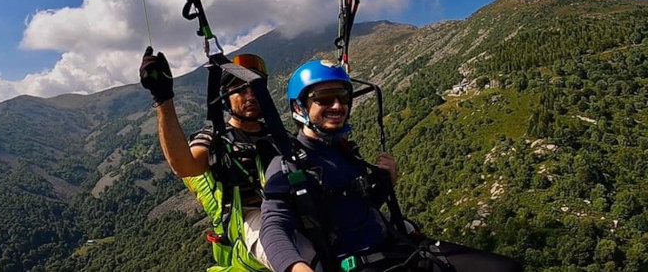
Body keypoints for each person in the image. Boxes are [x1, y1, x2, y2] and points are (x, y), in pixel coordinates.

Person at [260, 59, 522, 272]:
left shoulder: (345, 152)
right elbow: (273, 225)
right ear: (299, 106)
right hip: (356, 263)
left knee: (505, 268)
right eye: (325, 98)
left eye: (342, 96)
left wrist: (386, 183)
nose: (338, 106)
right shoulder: (287, 163)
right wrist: (294, 267)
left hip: (399, 249)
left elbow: (355, 208)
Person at [139, 47, 279, 271]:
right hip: (250, 223)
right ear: (225, 96)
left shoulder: (278, 135)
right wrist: (164, 99)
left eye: (256, 88)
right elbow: (185, 165)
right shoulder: (215, 138)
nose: (250, 96)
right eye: (240, 90)